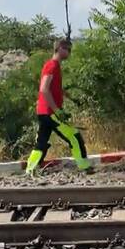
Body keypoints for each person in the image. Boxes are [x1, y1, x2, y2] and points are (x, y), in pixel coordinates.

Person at [26, 38, 92, 174]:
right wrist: (57, 110)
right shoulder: (52, 65)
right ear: (60, 48)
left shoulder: (53, 66)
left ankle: (30, 169)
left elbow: (54, 88)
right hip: (50, 112)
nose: (69, 53)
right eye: (68, 49)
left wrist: (71, 97)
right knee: (74, 136)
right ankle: (84, 166)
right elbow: (44, 89)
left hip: (44, 111)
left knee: (42, 142)